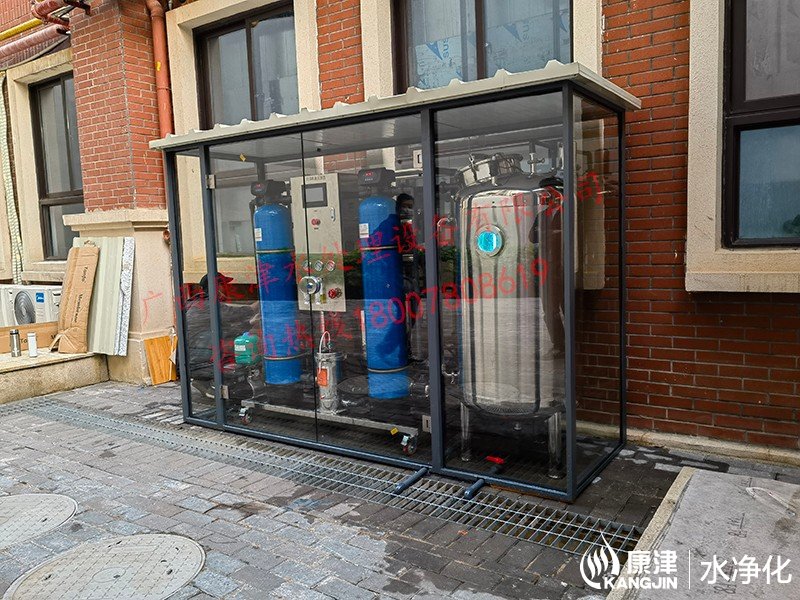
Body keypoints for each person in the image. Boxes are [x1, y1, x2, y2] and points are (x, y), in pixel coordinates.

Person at [184, 272, 258, 398]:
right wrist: (261, 302)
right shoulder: (208, 305)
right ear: (217, 287)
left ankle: (204, 382)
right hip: (197, 361)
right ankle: (210, 380)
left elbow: (227, 326)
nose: (227, 288)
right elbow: (238, 314)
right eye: (224, 285)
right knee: (238, 346)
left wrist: (250, 323)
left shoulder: (197, 302)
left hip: (190, 359)